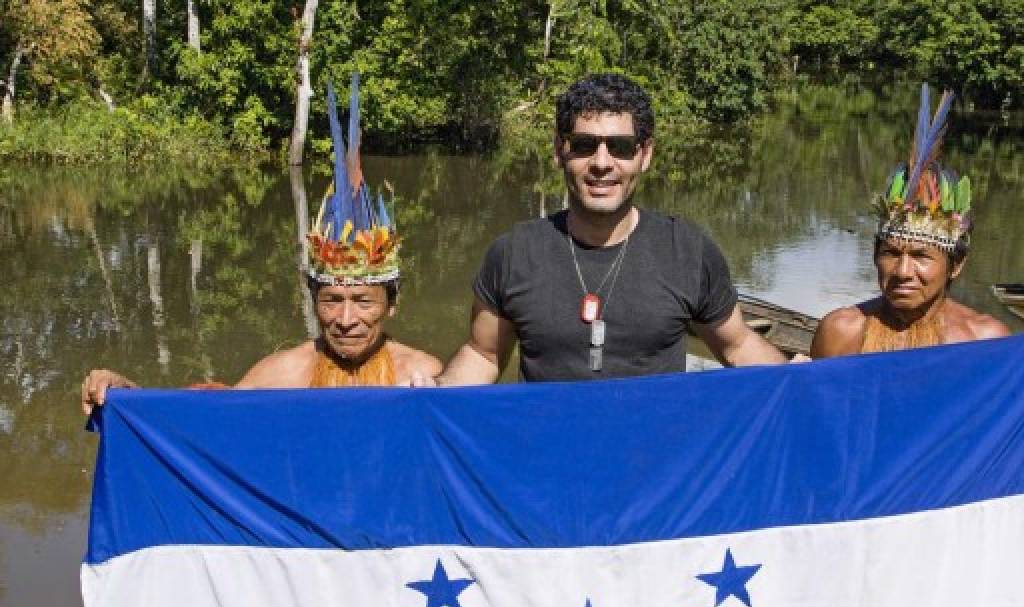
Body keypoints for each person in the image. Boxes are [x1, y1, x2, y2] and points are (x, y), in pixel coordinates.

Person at [82, 75, 441, 415]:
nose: (346, 320)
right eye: (332, 300)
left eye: (363, 301)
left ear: (392, 303)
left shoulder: (421, 375)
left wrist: (429, 409)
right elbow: (198, 424)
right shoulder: (282, 374)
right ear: (314, 300)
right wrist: (126, 399)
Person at [430, 73, 791, 386]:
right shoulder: (513, 253)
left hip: (656, 459)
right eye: (585, 145)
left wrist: (800, 381)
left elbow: (737, 345)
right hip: (547, 455)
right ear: (560, 151)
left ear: (644, 155)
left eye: (620, 147)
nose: (602, 163)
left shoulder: (687, 250)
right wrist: (436, 392)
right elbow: (483, 355)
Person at [810, 85, 1024, 370]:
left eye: (921, 255)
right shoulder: (842, 331)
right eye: (891, 253)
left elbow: (1020, 417)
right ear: (875, 255)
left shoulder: (983, 341)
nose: (903, 271)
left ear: (956, 265)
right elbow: (808, 419)